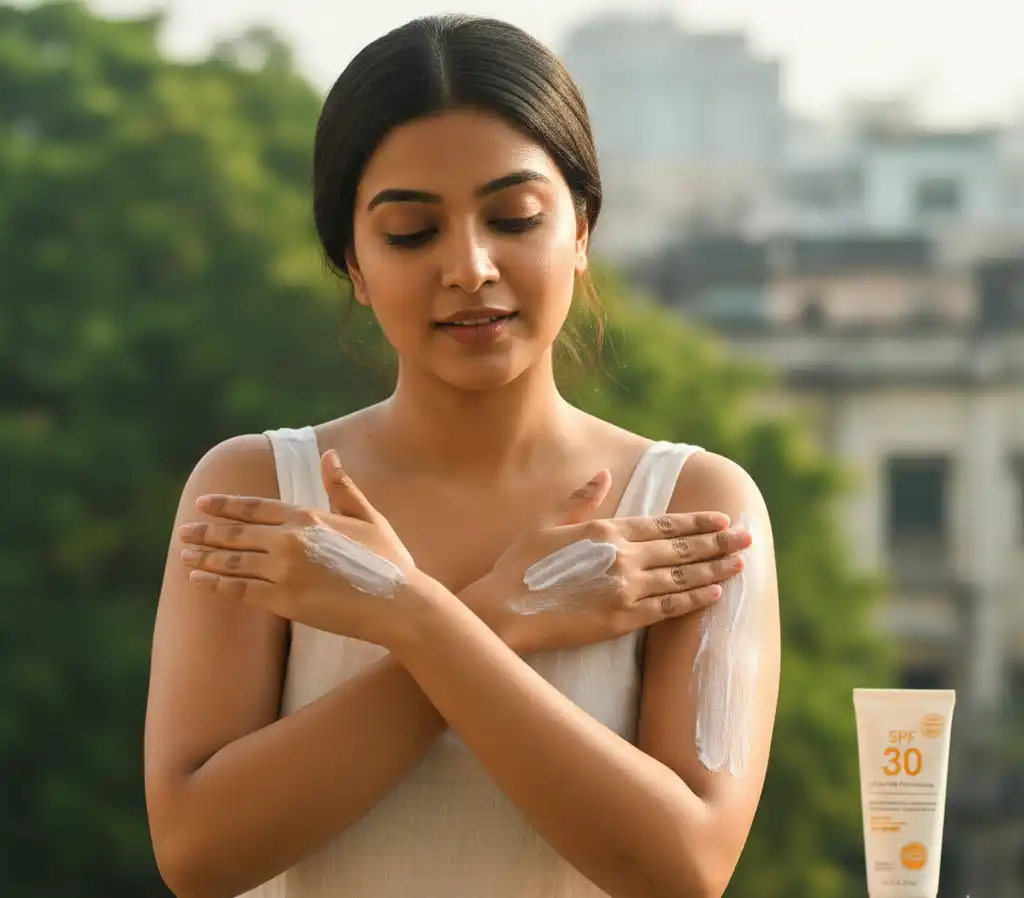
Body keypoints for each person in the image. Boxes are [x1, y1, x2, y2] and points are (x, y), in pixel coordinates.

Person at [144, 14, 780, 898]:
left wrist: (416, 617)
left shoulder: (692, 506)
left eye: (514, 217)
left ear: (583, 227)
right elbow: (199, 854)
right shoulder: (255, 491)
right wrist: (495, 615)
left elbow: (684, 865)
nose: (471, 266)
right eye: (411, 233)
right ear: (354, 267)